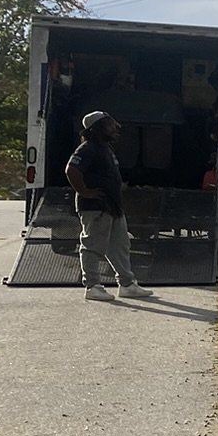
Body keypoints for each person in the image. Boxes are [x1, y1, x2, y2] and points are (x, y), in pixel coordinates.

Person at [65, 112, 154, 301]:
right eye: (111, 124)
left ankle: (127, 284)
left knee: (120, 245)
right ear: (97, 128)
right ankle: (92, 286)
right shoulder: (87, 148)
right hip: (95, 206)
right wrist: (84, 191)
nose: (117, 127)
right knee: (92, 245)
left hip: (112, 206)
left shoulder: (104, 148)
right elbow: (71, 170)